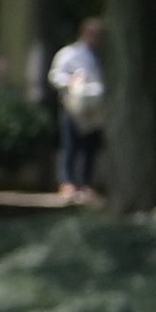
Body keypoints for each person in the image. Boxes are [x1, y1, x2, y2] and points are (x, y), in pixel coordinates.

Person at [46, 12, 110, 194]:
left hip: (95, 107)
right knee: (70, 145)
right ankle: (67, 182)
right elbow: (55, 76)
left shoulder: (103, 56)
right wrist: (71, 81)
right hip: (73, 106)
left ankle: (86, 183)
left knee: (90, 146)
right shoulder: (69, 53)